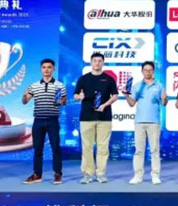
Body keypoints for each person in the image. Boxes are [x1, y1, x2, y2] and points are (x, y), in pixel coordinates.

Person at [73, 52, 118, 184]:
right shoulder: (83, 79)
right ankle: (87, 174)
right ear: (91, 62)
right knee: (87, 147)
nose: (97, 63)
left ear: (103, 63)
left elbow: (115, 96)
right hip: (87, 117)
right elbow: (75, 96)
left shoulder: (109, 79)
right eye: (95, 61)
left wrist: (105, 105)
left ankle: (101, 174)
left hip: (104, 117)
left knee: (103, 147)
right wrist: (79, 97)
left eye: (99, 61)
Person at [22, 59, 67, 185]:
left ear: (53, 69)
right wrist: (25, 95)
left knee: (55, 148)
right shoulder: (34, 86)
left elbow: (64, 102)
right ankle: (37, 174)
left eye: (49, 67)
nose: (46, 70)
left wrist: (61, 101)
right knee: (37, 149)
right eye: (44, 67)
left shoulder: (60, 85)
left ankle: (58, 174)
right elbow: (25, 101)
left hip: (53, 120)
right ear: (40, 69)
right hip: (38, 120)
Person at [124, 61, 167, 185]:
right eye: (145, 70)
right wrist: (126, 96)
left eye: (150, 70)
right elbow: (132, 103)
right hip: (139, 122)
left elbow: (164, 103)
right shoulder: (137, 86)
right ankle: (138, 176)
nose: (148, 72)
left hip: (154, 121)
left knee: (154, 150)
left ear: (153, 71)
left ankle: (155, 175)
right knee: (139, 150)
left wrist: (164, 98)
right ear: (142, 71)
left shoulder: (159, 86)